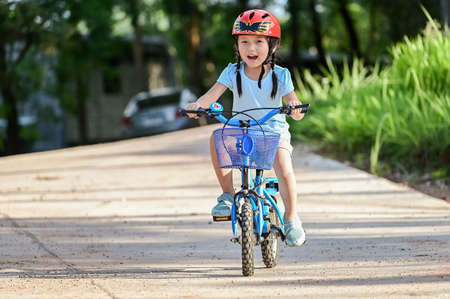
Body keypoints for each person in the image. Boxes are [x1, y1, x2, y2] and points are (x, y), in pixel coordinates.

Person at [184, 9, 306, 247]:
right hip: (242, 129)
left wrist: (294, 107)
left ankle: (292, 219)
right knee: (217, 136)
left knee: (284, 170)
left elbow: (293, 101)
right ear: (237, 45)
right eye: (245, 42)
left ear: (272, 45)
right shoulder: (232, 72)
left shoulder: (281, 75)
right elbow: (211, 96)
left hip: (273, 131)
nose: (251, 49)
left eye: (259, 42)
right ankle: (228, 195)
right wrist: (198, 105)